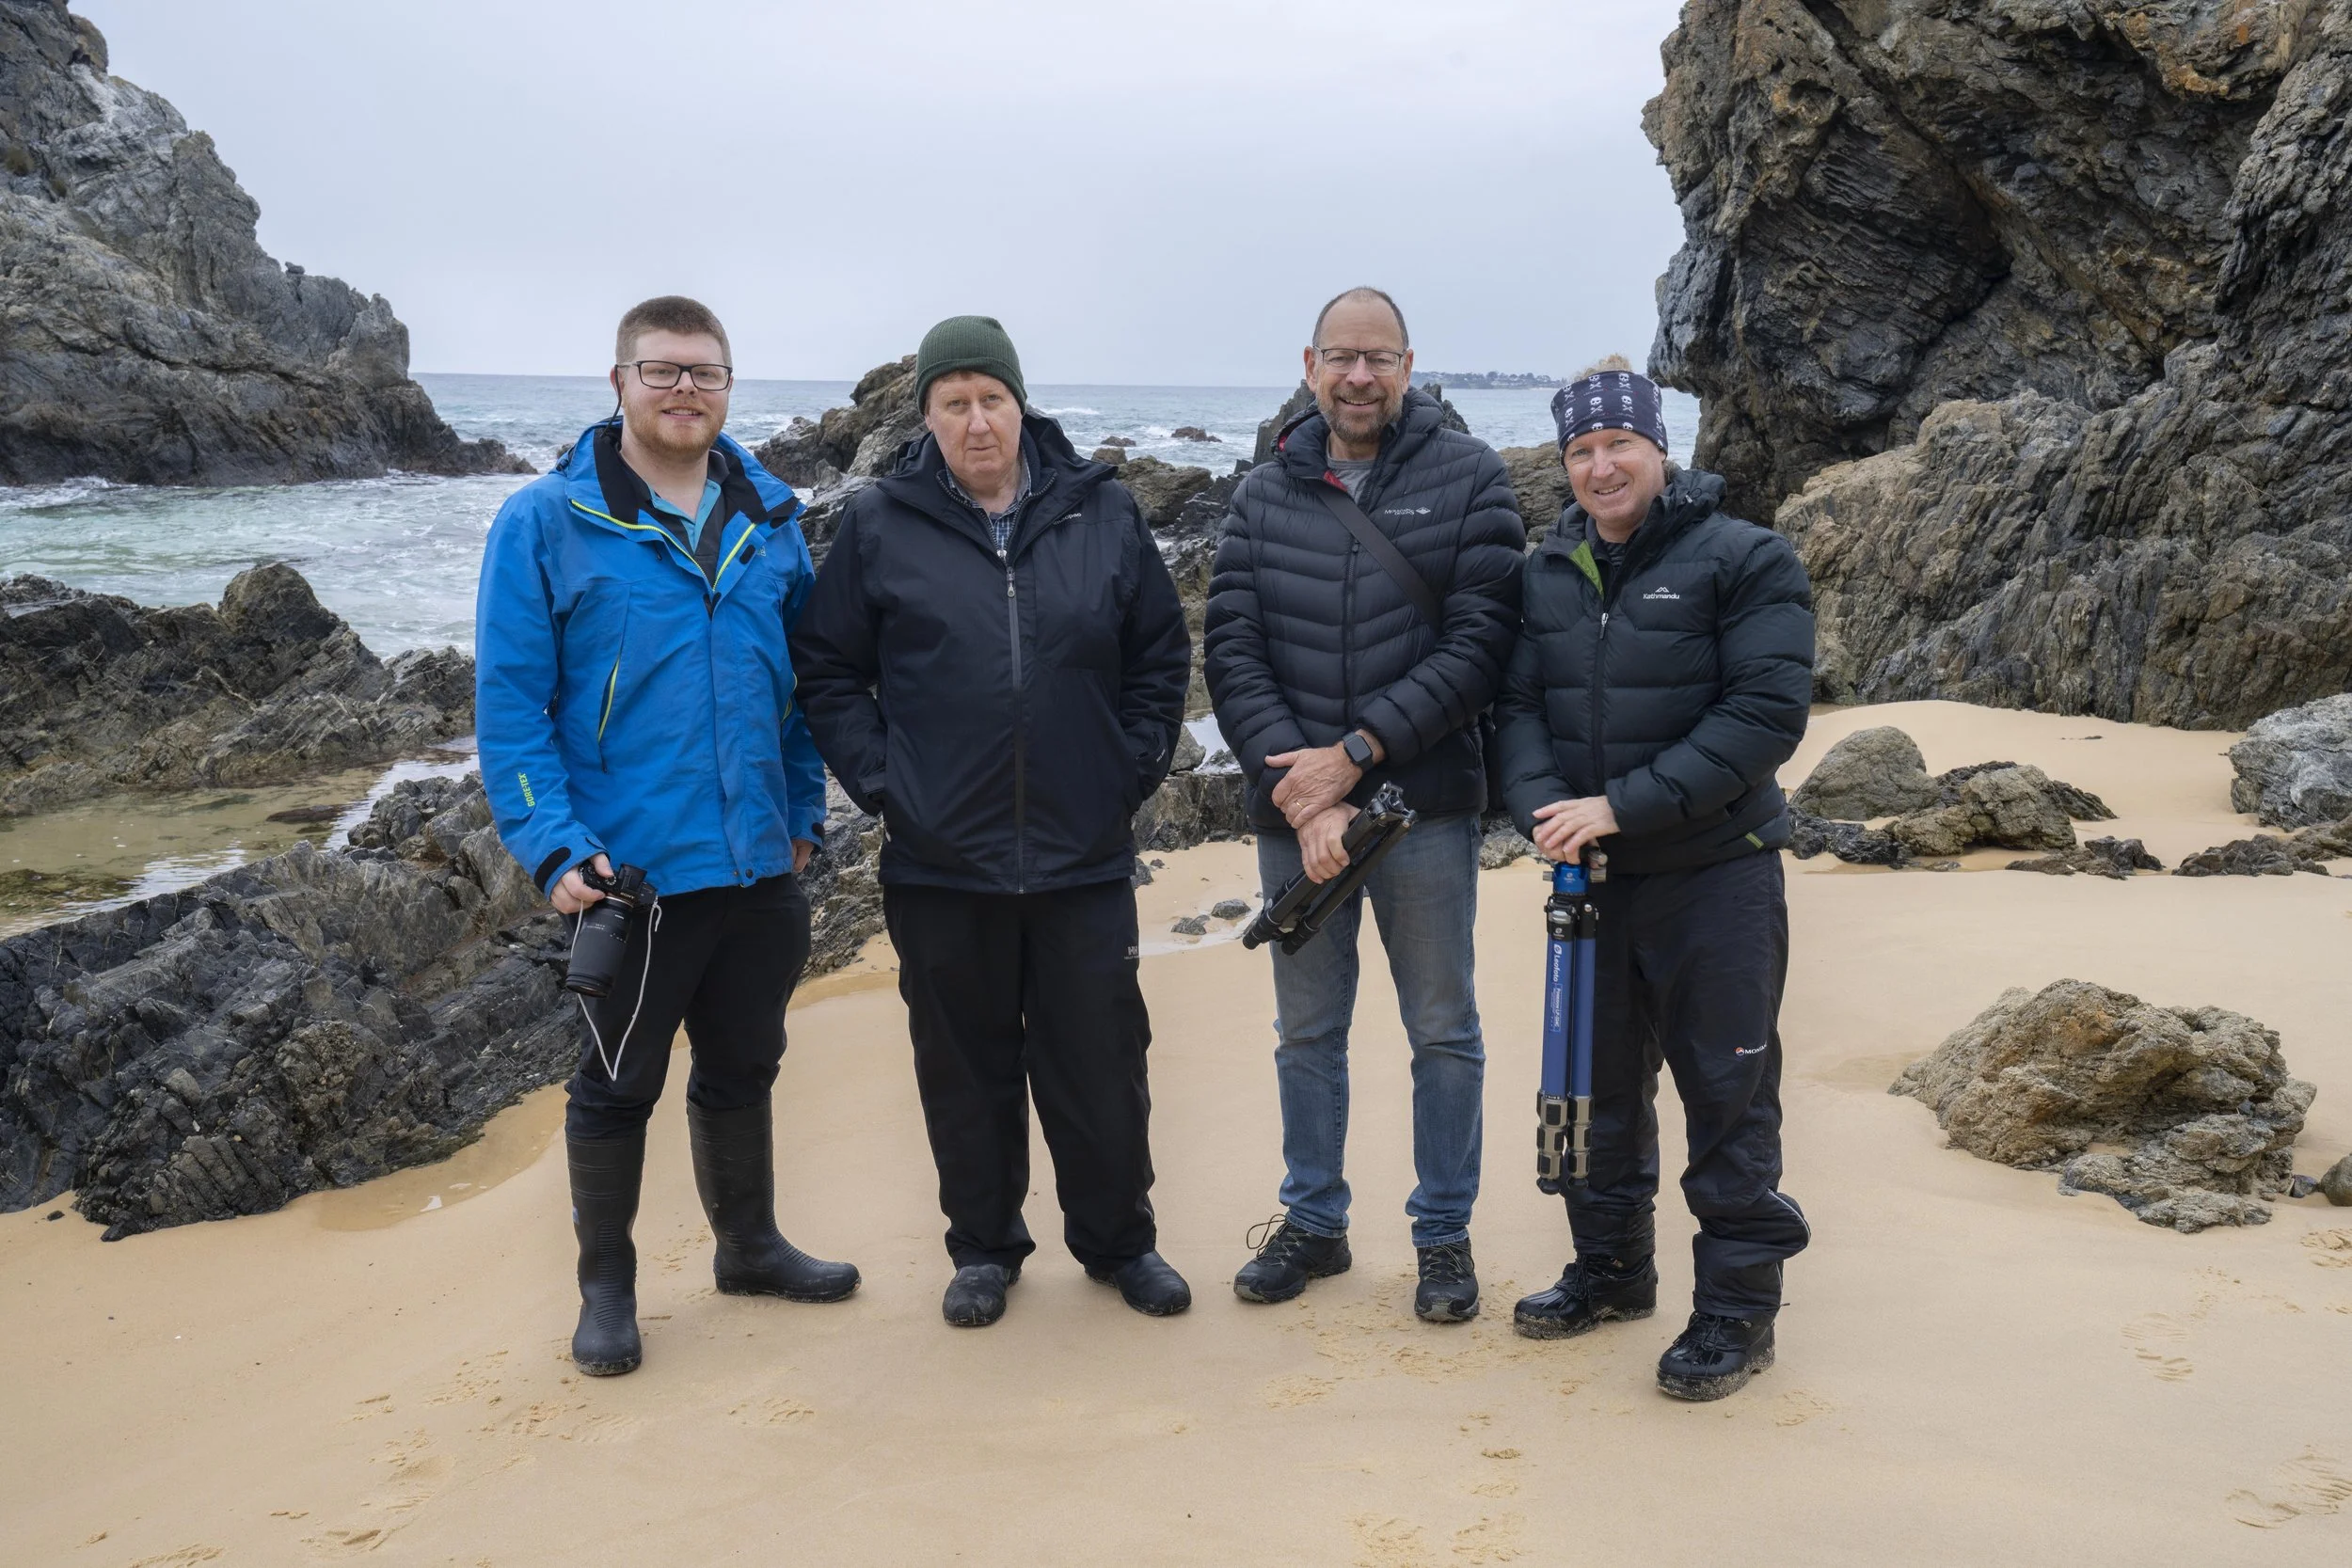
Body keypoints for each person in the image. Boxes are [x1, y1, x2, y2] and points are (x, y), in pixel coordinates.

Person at [475, 295, 856, 1378]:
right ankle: (607, 1289)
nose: (685, 389)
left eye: (705, 372)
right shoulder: (546, 521)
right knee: (615, 1083)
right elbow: (510, 707)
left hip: (757, 865)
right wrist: (554, 845)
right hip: (626, 873)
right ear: (619, 383)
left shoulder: (772, 521)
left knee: (744, 1064)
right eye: (663, 371)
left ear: (730, 386)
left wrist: (801, 815)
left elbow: (798, 693)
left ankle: (748, 1245)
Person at [790, 315, 1193, 1328]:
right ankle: (982, 1248)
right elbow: (828, 668)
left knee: (1101, 1063)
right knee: (962, 1068)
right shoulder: (882, 521)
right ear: (925, 417)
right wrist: (889, 783)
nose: (977, 421)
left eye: (992, 398)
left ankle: (1119, 1242)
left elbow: (1157, 654)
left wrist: (1126, 769)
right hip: (940, 863)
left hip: (1082, 854)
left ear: (1021, 402)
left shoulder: (1099, 512)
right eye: (953, 402)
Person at [1494, 356, 1815, 1402]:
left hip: (1716, 877)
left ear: (1658, 448)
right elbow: (1518, 710)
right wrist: (1550, 811)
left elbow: (1762, 717)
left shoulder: (1744, 557)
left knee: (1727, 1091)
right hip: (1588, 887)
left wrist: (1618, 804)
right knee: (1595, 1096)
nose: (1599, 466)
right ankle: (1612, 1269)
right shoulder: (1545, 571)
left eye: (1617, 444)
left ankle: (1733, 1311)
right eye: (1580, 450)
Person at [1203, 287, 1524, 1322]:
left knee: (1442, 1028)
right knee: (1306, 1032)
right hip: (1294, 815)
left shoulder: (1469, 477)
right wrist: (1301, 793)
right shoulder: (1261, 493)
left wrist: (1354, 755)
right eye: (1340, 356)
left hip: (1421, 806)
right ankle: (1314, 1221)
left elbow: (1479, 644)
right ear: (1308, 365)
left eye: (1377, 358)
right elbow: (1233, 649)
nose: (1357, 375)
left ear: (1408, 364)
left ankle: (1442, 1235)